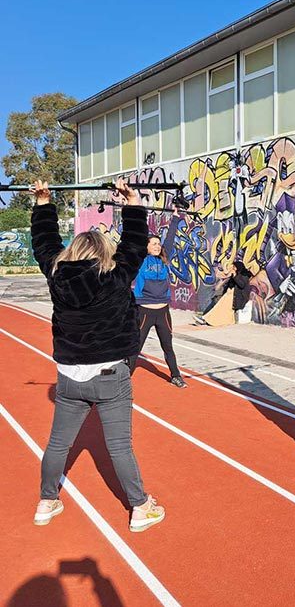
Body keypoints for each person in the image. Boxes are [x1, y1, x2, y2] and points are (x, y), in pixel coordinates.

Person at [30, 178, 165, 532]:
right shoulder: (115, 276)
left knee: (58, 442)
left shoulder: (57, 273)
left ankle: (46, 501)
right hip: (110, 376)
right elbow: (135, 243)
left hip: (69, 377)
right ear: (103, 252)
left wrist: (44, 204)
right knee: (119, 446)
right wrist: (132, 202)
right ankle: (140, 506)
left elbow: (44, 244)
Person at [127, 216, 186, 387]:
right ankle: (124, 378)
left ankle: (176, 376)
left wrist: (175, 218)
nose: (157, 246)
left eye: (158, 244)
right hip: (144, 311)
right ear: (145, 246)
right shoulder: (140, 261)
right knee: (135, 348)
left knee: (168, 346)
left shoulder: (164, 259)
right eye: (153, 243)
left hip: (163, 312)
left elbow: (171, 237)